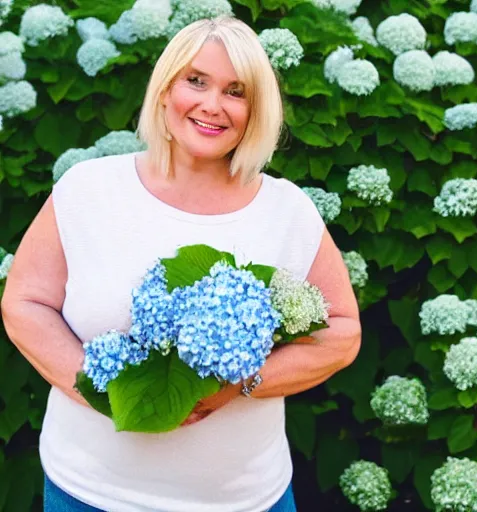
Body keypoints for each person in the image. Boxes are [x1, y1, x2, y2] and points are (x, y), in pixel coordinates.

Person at [1, 16, 361, 512]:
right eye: (196, 81)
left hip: (245, 501)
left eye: (236, 91)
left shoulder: (287, 210)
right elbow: (25, 302)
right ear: (166, 89)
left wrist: (239, 385)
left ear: (256, 110)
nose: (212, 105)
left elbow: (340, 332)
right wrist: (107, 393)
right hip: (90, 493)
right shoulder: (88, 190)